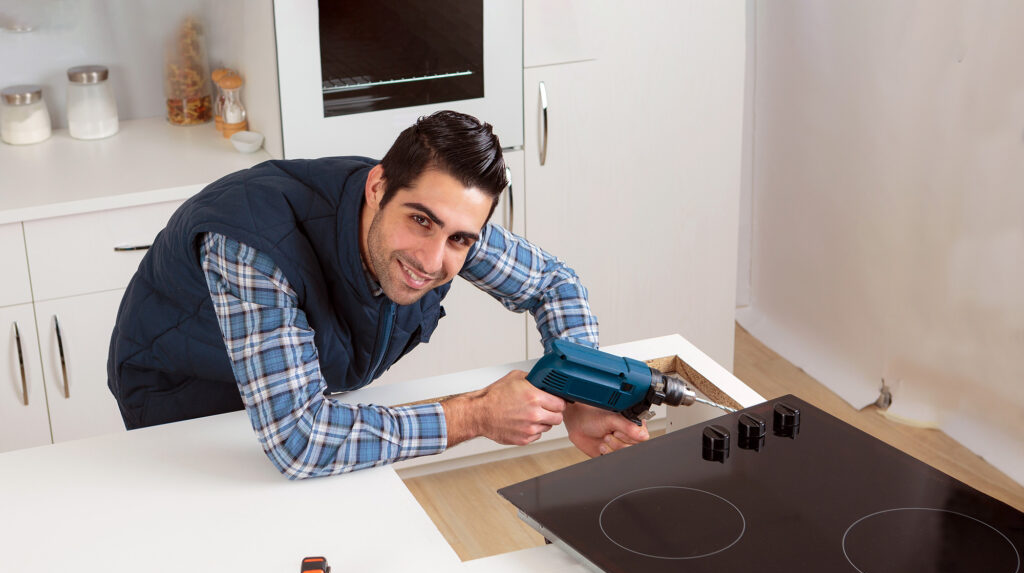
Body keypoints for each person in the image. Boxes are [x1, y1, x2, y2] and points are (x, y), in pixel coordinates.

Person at [107, 110, 648, 478]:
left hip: (301, 406)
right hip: (187, 406)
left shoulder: (439, 218)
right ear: (377, 187)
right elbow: (300, 441)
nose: (433, 261)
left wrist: (586, 393)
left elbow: (555, 284)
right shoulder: (251, 244)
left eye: (460, 238)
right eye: (421, 222)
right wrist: (477, 414)